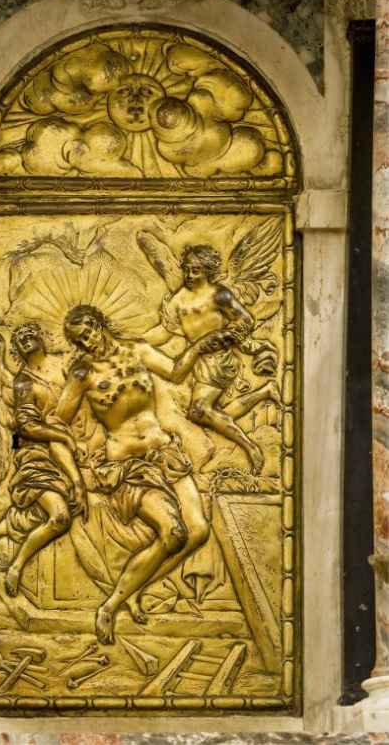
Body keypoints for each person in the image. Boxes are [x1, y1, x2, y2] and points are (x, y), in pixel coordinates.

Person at [57, 304, 221, 644]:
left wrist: (198, 346)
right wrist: (76, 454)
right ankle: (110, 606)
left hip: (164, 452)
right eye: (79, 339)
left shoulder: (139, 351)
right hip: (129, 466)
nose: (87, 341)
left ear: (99, 324)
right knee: (173, 533)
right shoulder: (82, 374)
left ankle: (134, 589)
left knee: (199, 531)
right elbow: (58, 421)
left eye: (88, 331)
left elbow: (175, 372)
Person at [145, 243, 281, 473]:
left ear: (207, 271)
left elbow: (245, 320)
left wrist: (224, 337)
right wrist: (139, 340)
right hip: (197, 360)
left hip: (219, 358)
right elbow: (164, 332)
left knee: (199, 410)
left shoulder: (219, 294)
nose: (189, 275)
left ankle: (251, 448)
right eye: (187, 269)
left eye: (195, 270)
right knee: (212, 413)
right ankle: (266, 392)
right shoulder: (179, 299)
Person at [0, 323, 85, 597]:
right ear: (16, 349)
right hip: (37, 453)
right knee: (60, 516)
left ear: (42, 337)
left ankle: (0, 529)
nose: (26, 339)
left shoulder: (64, 363)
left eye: (30, 334)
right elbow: (26, 426)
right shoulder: (23, 382)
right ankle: (17, 565)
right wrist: (62, 436)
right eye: (20, 338)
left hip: (78, 444)